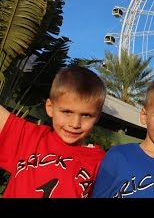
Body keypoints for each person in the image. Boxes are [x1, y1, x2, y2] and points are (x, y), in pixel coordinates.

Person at [0, 65, 106, 198]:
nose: (75, 124)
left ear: (97, 116)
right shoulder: (29, 138)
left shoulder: (101, 163)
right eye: (67, 112)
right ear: (50, 108)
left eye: (86, 115)